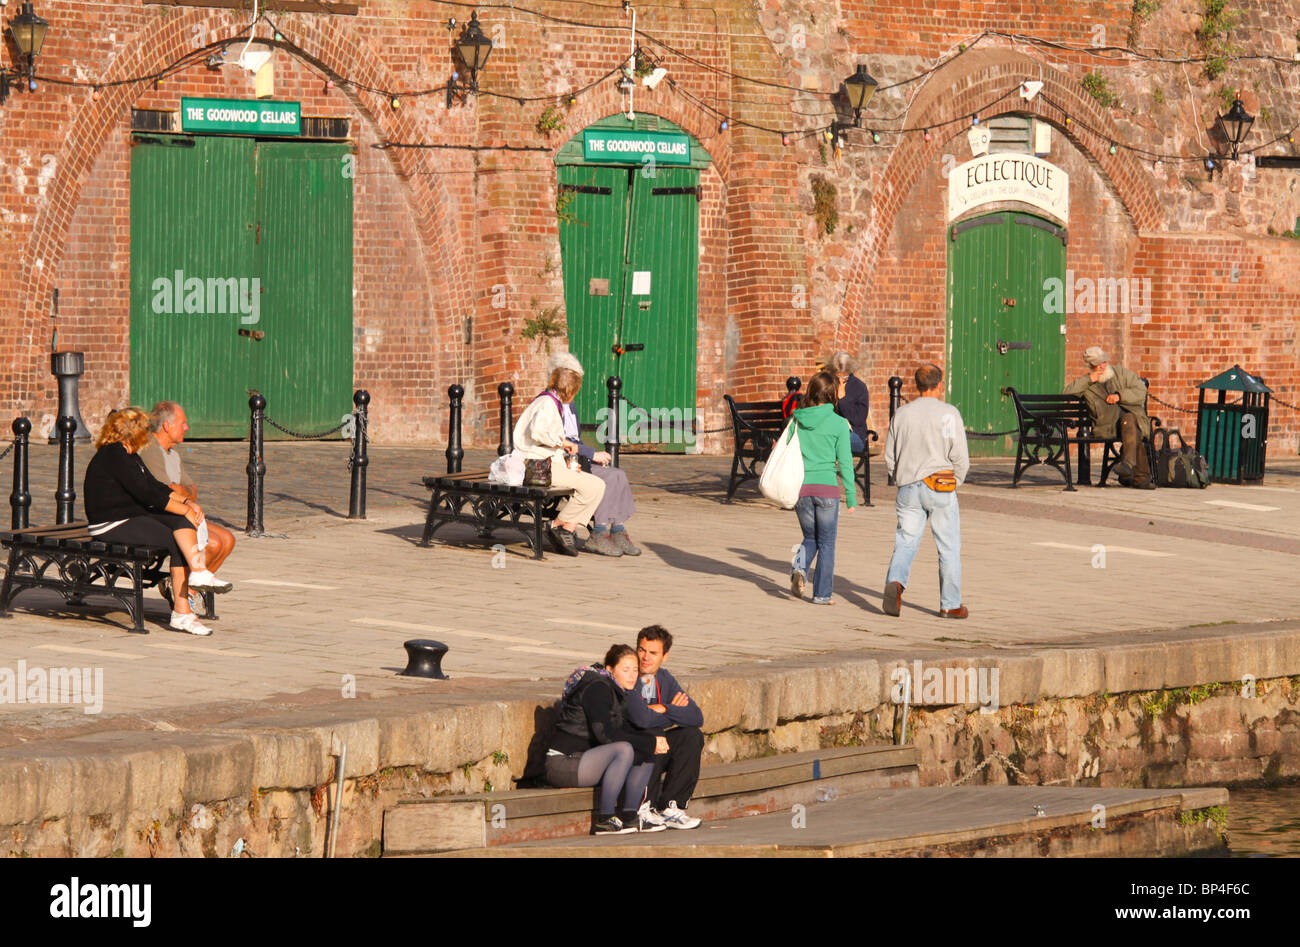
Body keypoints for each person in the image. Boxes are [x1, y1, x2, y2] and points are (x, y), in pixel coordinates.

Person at [83, 408, 231, 636]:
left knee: (180, 523)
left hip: (131, 515)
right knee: (175, 539)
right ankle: (182, 613)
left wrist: (186, 503)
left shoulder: (129, 454)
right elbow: (147, 495)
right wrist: (184, 508)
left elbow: (154, 486)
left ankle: (198, 573)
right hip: (111, 523)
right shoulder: (114, 454)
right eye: (145, 430)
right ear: (134, 432)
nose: (149, 435)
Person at [546, 644, 669, 834]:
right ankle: (605, 819)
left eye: (635, 670)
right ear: (610, 669)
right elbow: (605, 734)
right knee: (625, 749)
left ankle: (629, 815)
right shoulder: (598, 688)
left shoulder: (616, 690)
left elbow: (625, 730)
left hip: (585, 759)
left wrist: (652, 741)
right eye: (625, 670)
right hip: (563, 762)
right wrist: (649, 742)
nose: (632, 675)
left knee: (646, 746)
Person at [882, 363, 969, 619]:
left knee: (905, 542)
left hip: (909, 486)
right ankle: (949, 604)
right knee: (948, 547)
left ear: (916, 385)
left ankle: (896, 583)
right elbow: (960, 457)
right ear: (940, 385)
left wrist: (901, 478)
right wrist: (956, 483)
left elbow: (890, 456)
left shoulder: (902, 414)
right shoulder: (949, 413)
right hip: (940, 485)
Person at [139, 401, 237, 613]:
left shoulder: (173, 454)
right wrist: (181, 492)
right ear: (167, 426)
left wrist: (182, 491)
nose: (187, 428)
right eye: (183, 423)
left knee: (228, 540)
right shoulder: (151, 450)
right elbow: (165, 491)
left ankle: (186, 593)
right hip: (159, 516)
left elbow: (191, 489)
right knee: (213, 544)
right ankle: (182, 595)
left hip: (181, 512)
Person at [513, 353, 607, 556]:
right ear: (570, 391)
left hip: (545, 462)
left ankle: (565, 529)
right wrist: (564, 443)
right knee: (595, 486)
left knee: (593, 486)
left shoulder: (550, 402)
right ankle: (556, 526)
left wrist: (565, 459)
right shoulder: (547, 403)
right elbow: (538, 433)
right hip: (536, 467)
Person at [551, 354, 641, 558]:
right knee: (604, 479)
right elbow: (559, 441)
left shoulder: (569, 405)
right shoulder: (550, 405)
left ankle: (618, 530)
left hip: (576, 459)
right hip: (561, 462)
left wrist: (589, 455)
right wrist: (592, 454)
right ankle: (599, 533)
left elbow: (575, 439)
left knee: (617, 474)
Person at [623, 625, 704, 829]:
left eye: (653, 653)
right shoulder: (628, 674)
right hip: (625, 750)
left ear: (664, 656)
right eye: (641, 650)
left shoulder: (665, 679)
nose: (645, 657)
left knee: (691, 735)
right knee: (653, 732)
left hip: (650, 750)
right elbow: (641, 719)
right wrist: (670, 711)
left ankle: (670, 807)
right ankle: (642, 807)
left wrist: (662, 708)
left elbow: (696, 716)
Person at [789, 371, 857, 605]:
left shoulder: (797, 419)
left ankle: (799, 568)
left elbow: (786, 449)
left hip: (801, 488)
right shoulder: (839, 423)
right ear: (831, 395)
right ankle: (822, 595)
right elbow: (846, 462)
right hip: (827, 489)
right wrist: (851, 495)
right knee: (826, 543)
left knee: (810, 537)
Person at [1063, 346, 1154, 489]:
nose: (1102, 366)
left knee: (1129, 420)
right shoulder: (1088, 384)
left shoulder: (1121, 374)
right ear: (1091, 366)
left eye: (1104, 362)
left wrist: (1120, 396)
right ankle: (1138, 475)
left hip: (1132, 422)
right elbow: (1066, 393)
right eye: (1098, 364)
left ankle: (1132, 470)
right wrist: (1088, 379)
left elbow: (1141, 390)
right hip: (1108, 427)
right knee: (1132, 428)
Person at [824, 351, 871, 455]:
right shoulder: (828, 384)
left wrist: (843, 400)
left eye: (844, 377)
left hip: (854, 434)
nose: (840, 381)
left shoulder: (859, 387)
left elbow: (859, 419)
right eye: (837, 377)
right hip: (830, 431)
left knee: (841, 438)